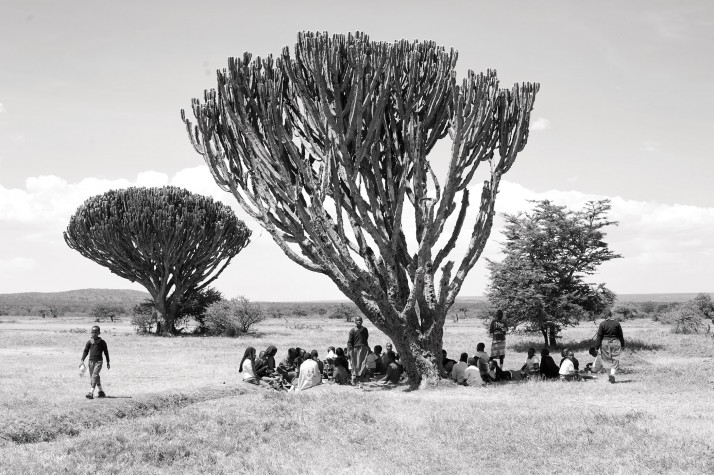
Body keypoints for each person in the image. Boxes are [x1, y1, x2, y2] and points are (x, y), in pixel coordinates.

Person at [80, 325, 110, 399]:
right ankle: (101, 392)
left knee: (95, 375)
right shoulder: (89, 342)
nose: (93, 334)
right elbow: (86, 351)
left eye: (95, 332)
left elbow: (106, 352)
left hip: (99, 361)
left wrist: (108, 361)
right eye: (92, 332)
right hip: (91, 361)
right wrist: (82, 360)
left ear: (99, 333)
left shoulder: (102, 342)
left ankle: (91, 392)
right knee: (94, 377)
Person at [596, 310, 625, 383]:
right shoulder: (617, 323)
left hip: (605, 343)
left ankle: (610, 376)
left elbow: (599, 336)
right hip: (615, 342)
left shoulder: (602, 324)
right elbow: (620, 335)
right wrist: (622, 344)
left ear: (604, 315)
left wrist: (597, 347)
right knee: (615, 358)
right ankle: (612, 374)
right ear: (611, 315)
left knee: (606, 359)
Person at [347, 317, 370, 385]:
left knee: (362, 364)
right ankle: (354, 380)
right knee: (355, 364)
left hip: (363, 349)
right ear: (355, 322)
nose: (359, 321)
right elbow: (349, 342)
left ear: (362, 321)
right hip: (355, 349)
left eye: (360, 320)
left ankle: (361, 381)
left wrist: (368, 348)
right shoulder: (352, 330)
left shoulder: (365, 330)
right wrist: (348, 351)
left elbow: (366, 339)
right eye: (357, 320)